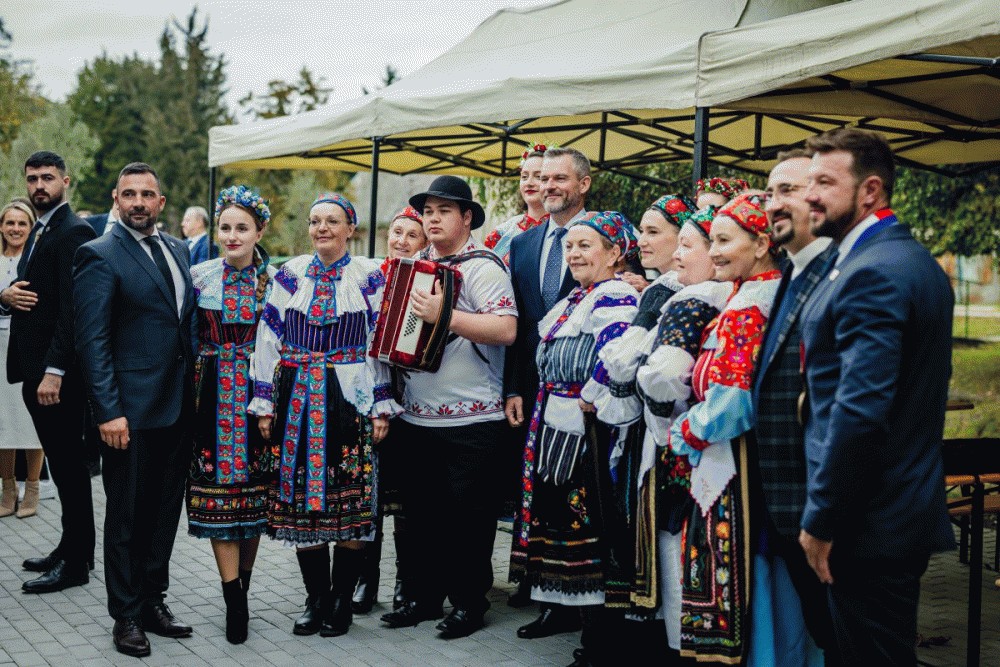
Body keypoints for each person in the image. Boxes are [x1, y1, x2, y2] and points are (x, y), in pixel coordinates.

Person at [799, 128, 954, 664]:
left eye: (824, 180)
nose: (809, 194)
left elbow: (860, 411)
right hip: (884, 513)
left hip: (867, 521)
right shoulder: (890, 257)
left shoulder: (878, 271)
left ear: (869, 191)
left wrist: (822, 520)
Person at [249, 192, 397, 639]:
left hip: (349, 393)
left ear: (350, 229)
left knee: (350, 496)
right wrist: (264, 402)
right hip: (297, 394)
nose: (322, 229)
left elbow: (379, 343)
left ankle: (340, 601)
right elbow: (268, 337)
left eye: (332, 221)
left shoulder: (369, 275)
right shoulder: (290, 274)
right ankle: (316, 599)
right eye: (315, 221)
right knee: (300, 500)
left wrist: (381, 403)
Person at [380, 175, 517, 639]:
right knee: (418, 515)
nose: (433, 219)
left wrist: (446, 316)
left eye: (443, 211)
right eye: (428, 211)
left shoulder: (484, 267)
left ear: (466, 218)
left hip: (472, 418)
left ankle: (468, 604)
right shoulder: (414, 265)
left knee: (467, 518)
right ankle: (420, 598)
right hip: (416, 414)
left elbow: (505, 330)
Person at [73, 162, 197, 658]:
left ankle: (152, 600)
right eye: (130, 194)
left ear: (161, 203)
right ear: (116, 199)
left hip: (178, 407)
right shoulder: (98, 254)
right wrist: (107, 411)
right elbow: (93, 341)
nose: (139, 202)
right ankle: (125, 615)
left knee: (164, 512)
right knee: (125, 516)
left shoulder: (179, 249)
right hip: (128, 412)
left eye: (148, 194)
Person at [509, 211, 639, 667]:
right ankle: (576, 624)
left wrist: (590, 394)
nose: (575, 253)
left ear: (615, 252)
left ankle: (600, 643)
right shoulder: (575, 300)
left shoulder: (616, 295)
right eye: (570, 247)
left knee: (590, 531)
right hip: (557, 425)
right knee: (564, 525)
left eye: (586, 245)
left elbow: (619, 350)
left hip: (589, 432)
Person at [666, 194, 783, 662]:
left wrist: (688, 430)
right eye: (710, 240)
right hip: (745, 456)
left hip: (735, 460)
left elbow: (733, 401)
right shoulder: (758, 294)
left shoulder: (749, 307)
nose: (713, 251)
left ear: (761, 244)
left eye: (723, 240)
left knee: (746, 573)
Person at [751, 149, 839, 663]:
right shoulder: (794, 271)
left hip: (821, 507)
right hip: (790, 503)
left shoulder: (840, 274)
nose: (773, 202)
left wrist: (823, 517)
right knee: (825, 635)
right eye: (770, 191)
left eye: (788, 190)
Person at [0, 151, 97, 594]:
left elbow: (72, 310)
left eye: (48, 178)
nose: (39, 185)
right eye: (33, 178)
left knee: (70, 470)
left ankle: (77, 564)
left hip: (55, 377)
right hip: (33, 367)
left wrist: (55, 371)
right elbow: (30, 291)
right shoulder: (42, 229)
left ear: (66, 181)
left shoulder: (73, 231)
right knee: (61, 466)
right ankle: (69, 546)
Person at [504, 146, 589, 627]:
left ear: (583, 185)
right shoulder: (523, 245)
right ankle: (534, 580)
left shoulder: (604, 235)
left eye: (561, 178)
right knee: (533, 488)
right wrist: (514, 387)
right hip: (532, 390)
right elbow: (519, 323)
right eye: (545, 178)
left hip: (581, 394)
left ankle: (571, 596)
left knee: (571, 492)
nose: (550, 185)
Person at [186, 185, 275, 645]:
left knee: (253, 501)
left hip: (258, 400)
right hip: (210, 398)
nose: (232, 235)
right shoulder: (198, 276)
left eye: (242, 227)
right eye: (225, 227)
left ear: (260, 230)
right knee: (220, 499)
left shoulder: (279, 281)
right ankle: (233, 601)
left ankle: (245, 585)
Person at [353, 204, 428, 615]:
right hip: (372, 395)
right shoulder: (369, 277)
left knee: (406, 497)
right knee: (373, 493)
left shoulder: (427, 280)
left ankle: (406, 580)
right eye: (396, 232)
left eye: (411, 235)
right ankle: (367, 579)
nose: (400, 241)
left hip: (413, 395)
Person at [0, 199, 46, 519]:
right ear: (1, 226)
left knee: (31, 420)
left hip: (29, 347)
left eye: (22, 223)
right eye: (10, 222)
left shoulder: (38, 260)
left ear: (31, 228)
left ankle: (32, 487)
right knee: (3, 420)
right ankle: (7, 488)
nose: (16, 229)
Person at [484, 143, 549, 265]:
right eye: (524, 177)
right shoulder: (501, 233)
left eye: (538, 176)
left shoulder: (562, 229)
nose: (529, 183)